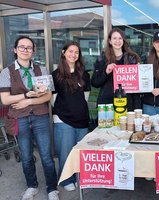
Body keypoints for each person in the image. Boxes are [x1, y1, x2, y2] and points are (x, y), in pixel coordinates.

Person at [0, 36, 59, 200]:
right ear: (15, 50)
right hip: (20, 118)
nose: (25, 50)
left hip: (40, 117)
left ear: (33, 51)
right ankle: (32, 186)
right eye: (22, 47)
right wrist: (26, 94)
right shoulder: (7, 72)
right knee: (26, 156)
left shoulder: (42, 70)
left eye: (29, 47)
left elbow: (47, 96)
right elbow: (5, 99)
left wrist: (29, 100)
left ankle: (52, 188)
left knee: (46, 155)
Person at [51, 41, 91, 191]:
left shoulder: (84, 74)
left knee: (81, 151)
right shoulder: (55, 75)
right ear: (63, 52)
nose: (73, 55)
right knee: (66, 151)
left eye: (76, 52)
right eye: (70, 51)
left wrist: (76, 108)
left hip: (82, 118)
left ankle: (80, 177)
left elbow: (85, 96)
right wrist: (64, 110)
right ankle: (66, 179)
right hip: (63, 119)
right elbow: (52, 98)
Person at [91, 28, 141, 111]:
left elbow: (137, 87)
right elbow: (95, 83)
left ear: (123, 40)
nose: (117, 41)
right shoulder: (102, 59)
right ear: (110, 41)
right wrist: (106, 72)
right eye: (114, 38)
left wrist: (139, 72)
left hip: (127, 103)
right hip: (107, 104)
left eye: (120, 38)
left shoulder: (132, 58)